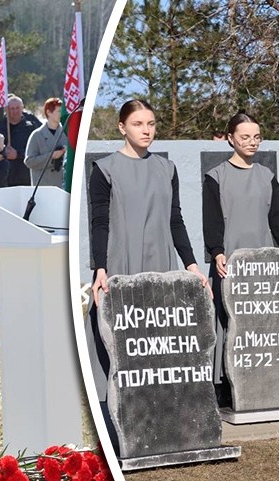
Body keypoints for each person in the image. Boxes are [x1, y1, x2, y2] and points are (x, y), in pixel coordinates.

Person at [88, 99, 208, 375]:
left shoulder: (167, 169)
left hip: (162, 265)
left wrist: (192, 266)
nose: (146, 130)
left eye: (151, 124)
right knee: (125, 344)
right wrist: (100, 268)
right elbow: (100, 223)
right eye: (138, 124)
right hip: (123, 265)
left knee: (161, 342)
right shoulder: (104, 169)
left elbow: (175, 220)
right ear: (122, 127)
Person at [201, 112, 279, 407]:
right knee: (228, 324)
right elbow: (212, 222)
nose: (252, 142)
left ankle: (263, 382)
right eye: (245, 137)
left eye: (256, 136)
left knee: (261, 324)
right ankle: (225, 387)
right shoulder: (215, 177)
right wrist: (217, 251)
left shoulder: (267, 176)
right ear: (230, 138)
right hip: (229, 263)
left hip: (262, 263)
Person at [0, 95, 42, 186]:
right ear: (7, 110)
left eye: (17, 108)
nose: (15, 111)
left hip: (25, 177)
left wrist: (17, 154)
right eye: (12, 108)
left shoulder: (31, 128)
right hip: (3, 178)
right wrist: (3, 153)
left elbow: (37, 151)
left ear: (22, 108)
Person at [25, 98, 69, 188]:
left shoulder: (65, 134)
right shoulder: (37, 135)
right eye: (59, 111)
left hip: (61, 186)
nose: (61, 114)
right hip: (43, 186)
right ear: (49, 112)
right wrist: (51, 156)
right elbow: (29, 161)